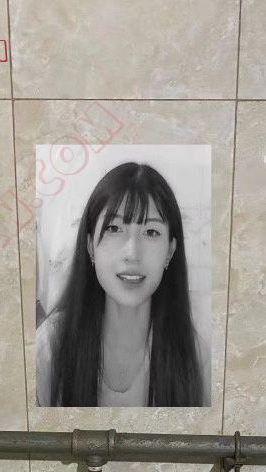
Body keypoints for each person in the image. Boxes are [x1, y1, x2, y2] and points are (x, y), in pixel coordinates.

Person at [36, 161, 210, 407]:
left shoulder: (194, 355)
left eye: (151, 232)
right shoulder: (49, 347)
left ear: (170, 252)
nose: (132, 253)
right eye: (114, 228)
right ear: (90, 246)